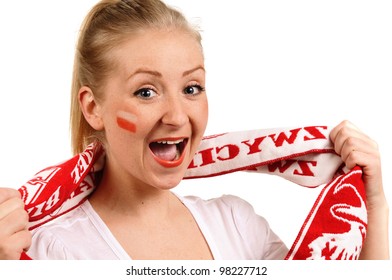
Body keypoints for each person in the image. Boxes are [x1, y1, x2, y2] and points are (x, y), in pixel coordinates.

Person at [0, 0, 389, 260]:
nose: (176, 115)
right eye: (146, 91)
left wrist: (375, 205)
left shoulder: (238, 225)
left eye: (191, 88)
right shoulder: (50, 249)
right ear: (93, 107)